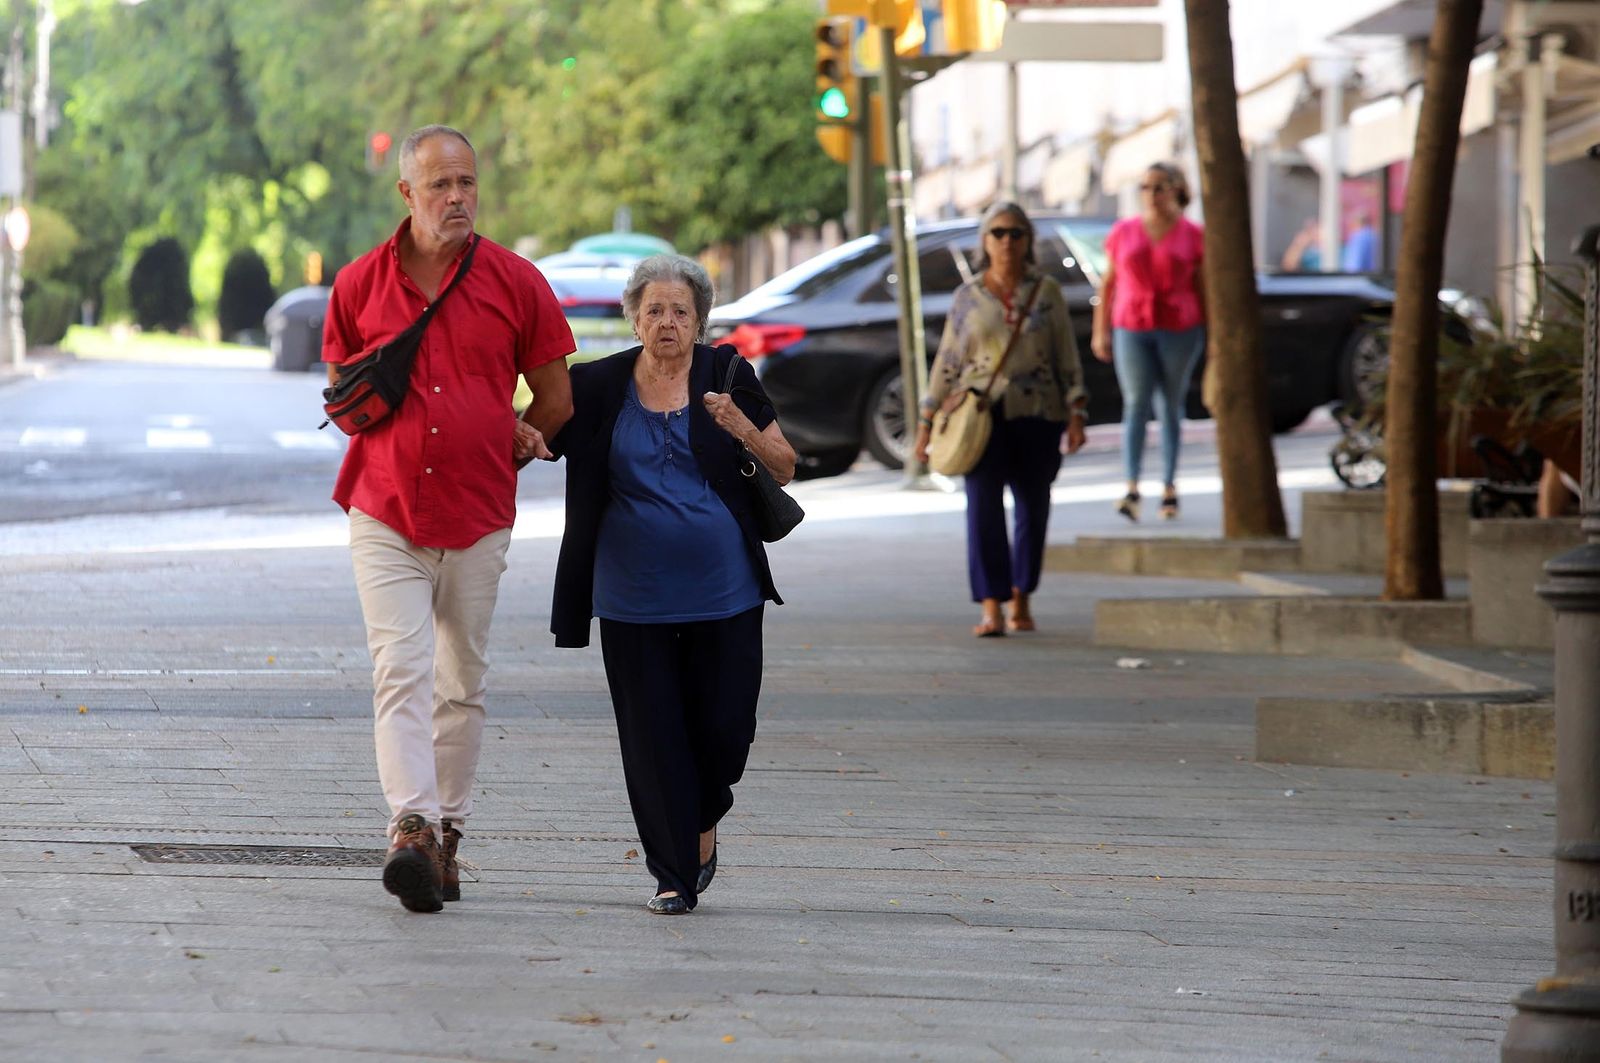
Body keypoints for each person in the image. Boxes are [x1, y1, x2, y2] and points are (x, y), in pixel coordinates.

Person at [322, 125, 575, 914]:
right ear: (408, 193)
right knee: (401, 667)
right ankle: (412, 827)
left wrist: (517, 438)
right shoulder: (361, 284)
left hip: (477, 511)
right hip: (386, 506)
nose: (457, 196)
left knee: (460, 679)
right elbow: (342, 387)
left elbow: (557, 397)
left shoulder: (515, 281)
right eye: (440, 185)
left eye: (466, 181)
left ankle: (448, 834)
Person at [548, 254, 795, 915]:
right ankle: (672, 872)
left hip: (727, 593)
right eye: (653, 309)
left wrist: (740, 427)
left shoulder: (729, 374)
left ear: (699, 321)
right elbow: (541, 433)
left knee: (724, 731)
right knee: (652, 736)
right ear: (632, 316)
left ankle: (706, 816)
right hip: (633, 596)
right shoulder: (598, 386)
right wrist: (517, 437)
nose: (666, 322)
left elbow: (787, 464)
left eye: (680, 311)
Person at [912, 201, 1089, 638]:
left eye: (1016, 233)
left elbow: (1067, 355)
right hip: (980, 417)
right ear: (984, 242)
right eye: (998, 233)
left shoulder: (1045, 292)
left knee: (1034, 508)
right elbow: (948, 363)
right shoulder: (968, 297)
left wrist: (1076, 413)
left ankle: (1022, 596)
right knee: (983, 510)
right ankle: (991, 605)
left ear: (1028, 241)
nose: (1007, 241)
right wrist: (926, 421)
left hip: (1039, 414)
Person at [1090, 162, 1206, 523]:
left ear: (1176, 190)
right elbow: (1107, 283)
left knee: (1170, 405)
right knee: (1137, 403)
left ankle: (1169, 486)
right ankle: (1131, 486)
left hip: (1180, 325)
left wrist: (1214, 337)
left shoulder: (1193, 234)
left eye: (1159, 187)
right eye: (1145, 187)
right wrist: (1101, 330)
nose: (1152, 195)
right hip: (1132, 324)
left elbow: (1205, 288)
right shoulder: (1124, 231)